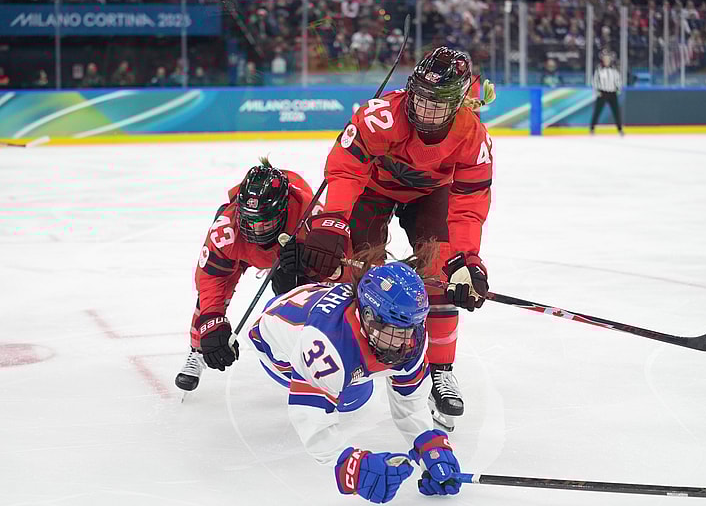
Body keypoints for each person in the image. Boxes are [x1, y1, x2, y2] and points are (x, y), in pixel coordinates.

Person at [289, 46, 497, 432]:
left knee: (441, 273)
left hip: (431, 194)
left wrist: (467, 259)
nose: (423, 110)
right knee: (363, 269)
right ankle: (356, 353)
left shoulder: (473, 135)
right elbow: (347, 168)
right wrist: (332, 222)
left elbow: (468, 204)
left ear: (459, 104)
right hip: (374, 189)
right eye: (419, 98)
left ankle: (440, 368)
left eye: (437, 104)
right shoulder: (379, 116)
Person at [250, 247, 463, 501]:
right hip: (272, 344)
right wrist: (350, 465)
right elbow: (309, 417)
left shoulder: (410, 336)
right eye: (395, 330)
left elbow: (410, 403)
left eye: (411, 328)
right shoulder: (325, 344)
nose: (404, 343)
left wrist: (428, 443)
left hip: (308, 304)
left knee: (360, 383)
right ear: (368, 317)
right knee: (354, 397)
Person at [174, 159, 315, 392]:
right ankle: (196, 351)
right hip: (238, 252)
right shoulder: (226, 230)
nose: (256, 230)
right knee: (209, 304)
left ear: (284, 210)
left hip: (287, 253)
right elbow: (210, 279)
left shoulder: (309, 215)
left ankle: (303, 346)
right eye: (250, 220)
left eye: (265, 222)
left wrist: (310, 261)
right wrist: (211, 321)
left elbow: (335, 271)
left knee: (295, 296)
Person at [590, 49, 624, 136]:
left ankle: (620, 129)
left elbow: (618, 80)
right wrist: (597, 91)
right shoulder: (599, 70)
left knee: (616, 112)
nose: (606, 60)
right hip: (602, 93)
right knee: (597, 111)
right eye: (605, 59)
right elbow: (595, 81)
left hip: (612, 93)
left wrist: (618, 89)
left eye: (608, 59)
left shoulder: (614, 70)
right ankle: (592, 128)